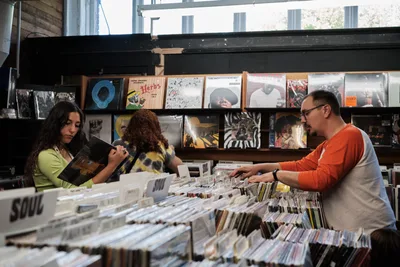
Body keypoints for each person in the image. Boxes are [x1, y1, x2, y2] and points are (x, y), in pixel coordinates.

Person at [230, 90, 396, 234]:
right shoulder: (329, 143)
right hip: (356, 232)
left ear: (325, 110)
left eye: (306, 113)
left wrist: (275, 175)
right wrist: (260, 167)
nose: (302, 120)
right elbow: (301, 165)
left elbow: (321, 180)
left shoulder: (349, 135)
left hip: (372, 234)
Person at [25, 101, 128, 191]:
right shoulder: (46, 155)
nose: (72, 130)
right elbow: (73, 190)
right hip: (56, 211)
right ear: (55, 124)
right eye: (67, 123)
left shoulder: (68, 149)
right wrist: (111, 166)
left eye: (77, 125)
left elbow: (85, 181)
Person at [113, 109, 183, 174]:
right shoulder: (160, 146)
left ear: (131, 125)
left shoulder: (118, 144)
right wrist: (170, 152)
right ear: (155, 126)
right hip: (151, 187)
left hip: (122, 186)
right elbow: (181, 169)